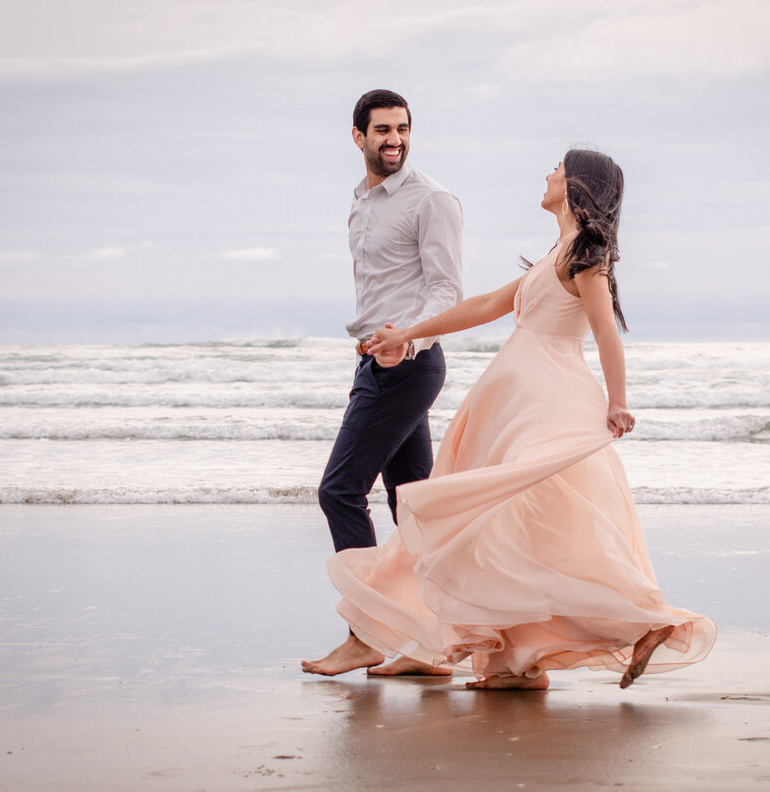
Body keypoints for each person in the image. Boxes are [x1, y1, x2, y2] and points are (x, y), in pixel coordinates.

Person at [304, 149, 715, 689]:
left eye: (557, 169)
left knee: (526, 520)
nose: (547, 175)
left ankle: (648, 619)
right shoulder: (557, 252)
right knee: (509, 528)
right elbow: (483, 305)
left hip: (545, 401)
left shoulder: (587, 257)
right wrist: (406, 333)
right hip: (514, 400)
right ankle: (518, 662)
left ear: (575, 186)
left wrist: (617, 400)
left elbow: (606, 332)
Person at [308, 89, 463, 677]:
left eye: (402, 129)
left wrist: (410, 338)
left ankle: (365, 634)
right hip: (377, 360)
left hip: (410, 365)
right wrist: (375, 336)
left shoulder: (432, 200)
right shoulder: (361, 199)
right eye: (382, 130)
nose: (394, 139)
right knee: (411, 508)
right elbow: (380, 287)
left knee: (339, 492)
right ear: (358, 137)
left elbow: (446, 289)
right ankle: (432, 644)